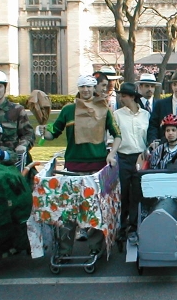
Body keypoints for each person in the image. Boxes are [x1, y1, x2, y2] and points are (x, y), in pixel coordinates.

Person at [39, 75, 121, 258]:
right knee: (69, 210)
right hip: (73, 167)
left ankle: (94, 248)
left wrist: (111, 154)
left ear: (94, 89)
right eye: (82, 87)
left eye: (89, 87)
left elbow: (117, 135)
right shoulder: (68, 110)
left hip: (97, 167)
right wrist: (45, 132)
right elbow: (55, 132)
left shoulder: (104, 109)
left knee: (94, 209)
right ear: (78, 88)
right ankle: (64, 250)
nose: (86, 90)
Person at [113, 82, 150, 243]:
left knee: (137, 193)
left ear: (133, 97)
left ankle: (134, 226)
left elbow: (148, 137)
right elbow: (113, 136)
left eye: (125, 95)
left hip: (140, 158)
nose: (122, 98)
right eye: (121, 95)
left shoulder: (145, 115)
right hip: (123, 157)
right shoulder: (117, 115)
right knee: (124, 194)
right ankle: (122, 227)